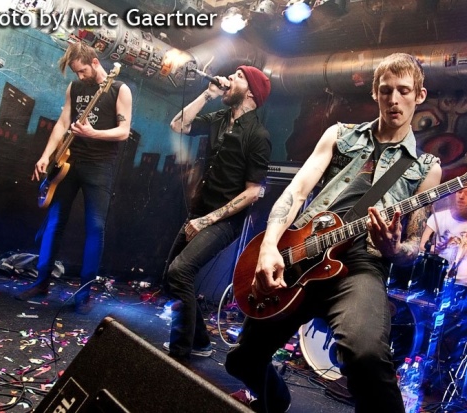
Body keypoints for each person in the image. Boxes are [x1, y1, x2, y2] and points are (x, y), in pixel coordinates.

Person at [225, 53, 442, 412]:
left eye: (404, 91)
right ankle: (275, 399)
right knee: (242, 360)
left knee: (366, 354)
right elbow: (296, 192)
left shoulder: (426, 168)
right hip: (303, 249)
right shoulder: (339, 135)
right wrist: (269, 247)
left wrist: (393, 249)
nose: (393, 99)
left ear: (419, 95)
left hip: (361, 265)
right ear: (375, 93)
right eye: (386, 90)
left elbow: (413, 248)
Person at [15, 42, 132, 314]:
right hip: (68, 163)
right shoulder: (75, 88)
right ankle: (41, 283)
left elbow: (124, 131)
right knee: (55, 221)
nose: (79, 76)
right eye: (76, 72)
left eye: (82, 71)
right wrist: (46, 155)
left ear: (94, 62)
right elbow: (62, 122)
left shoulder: (119, 89)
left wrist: (93, 134)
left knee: (95, 228)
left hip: (100, 166)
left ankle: (84, 294)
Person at [163, 66, 272, 360]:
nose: (230, 78)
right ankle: (200, 342)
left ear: (251, 93)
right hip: (200, 212)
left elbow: (253, 191)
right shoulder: (219, 119)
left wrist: (207, 220)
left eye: (239, 77)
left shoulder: (258, 135)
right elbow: (178, 125)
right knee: (170, 277)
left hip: (224, 221)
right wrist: (207, 94)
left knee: (180, 271)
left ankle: (178, 354)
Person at [419, 186, 467, 289]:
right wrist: (435, 249)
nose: (461, 196)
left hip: (464, 283)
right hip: (436, 278)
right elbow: (422, 246)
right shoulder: (439, 217)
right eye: (459, 192)